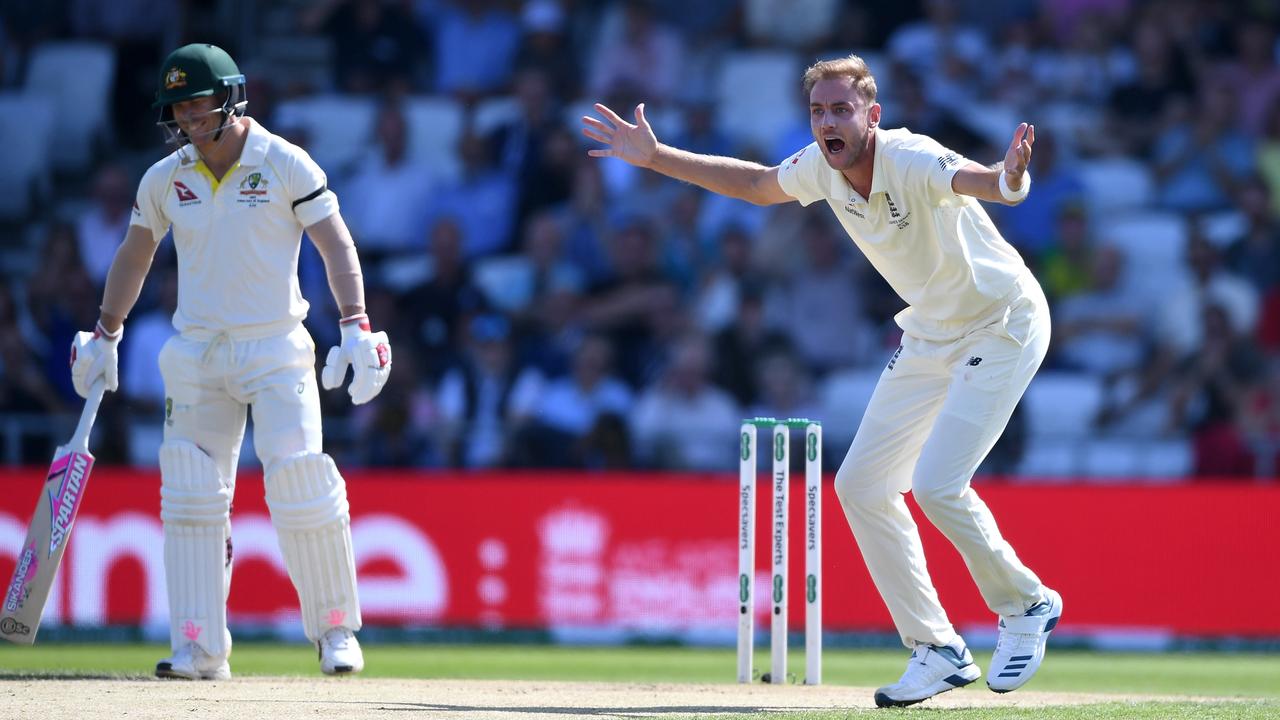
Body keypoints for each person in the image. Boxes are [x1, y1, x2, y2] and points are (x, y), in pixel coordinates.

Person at [583, 54, 1062, 707]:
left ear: (873, 115)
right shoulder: (819, 167)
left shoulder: (912, 157)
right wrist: (658, 156)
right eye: (817, 111)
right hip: (929, 332)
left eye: (841, 110)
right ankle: (935, 647)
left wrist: (1009, 178)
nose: (828, 122)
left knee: (937, 485)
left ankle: (1026, 603)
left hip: (1002, 323)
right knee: (862, 485)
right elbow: (756, 185)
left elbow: (982, 182)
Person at [68, 44, 391, 680]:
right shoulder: (165, 178)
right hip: (197, 353)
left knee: (300, 481)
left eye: (196, 103)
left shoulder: (283, 162)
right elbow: (135, 255)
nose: (186, 118)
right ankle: (198, 645)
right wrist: (105, 332)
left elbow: (335, 243)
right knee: (190, 494)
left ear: (230, 97)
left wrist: (356, 323)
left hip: (276, 348)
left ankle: (334, 633)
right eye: (176, 107)